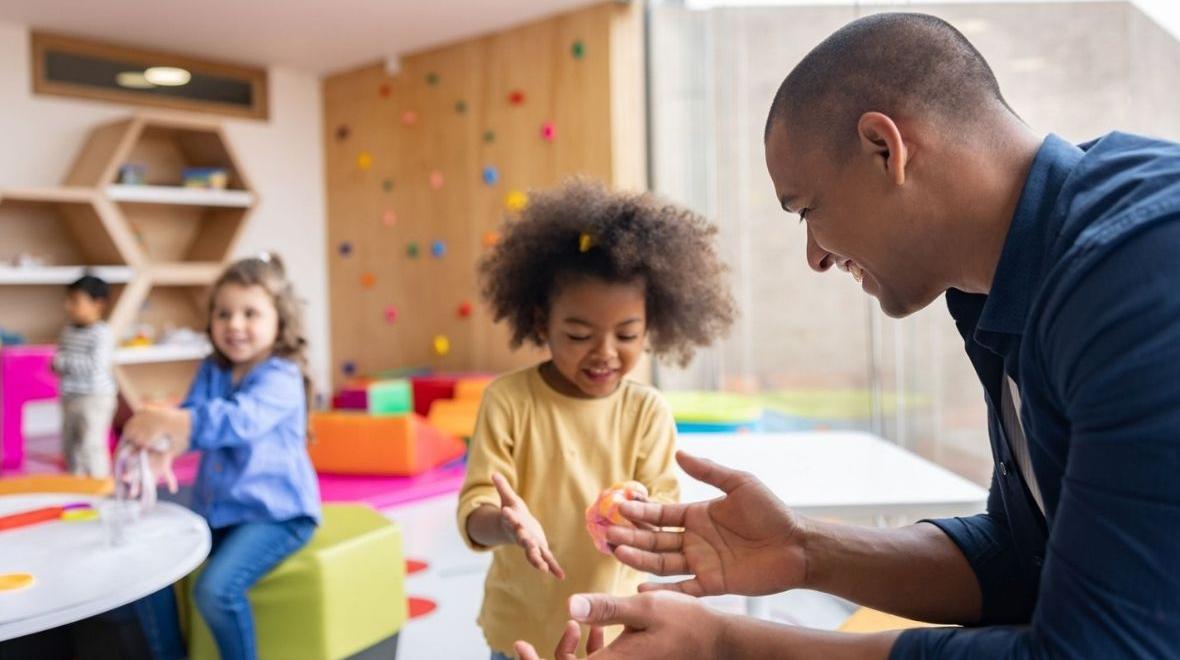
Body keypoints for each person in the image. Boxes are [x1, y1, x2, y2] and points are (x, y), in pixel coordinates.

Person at [518, 12, 1180, 659]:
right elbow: (1021, 559)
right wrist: (802, 550)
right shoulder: (999, 292)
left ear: (884, 149)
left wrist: (725, 645)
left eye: (808, 209)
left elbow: (1097, 647)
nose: (815, 256)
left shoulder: (1140, 263)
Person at [458, 179, 735, 657]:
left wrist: (642, 516)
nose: (605, 353)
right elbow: (476, 510)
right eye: (579, 335)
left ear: (650, 327)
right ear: (542, 322)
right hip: (520, 624)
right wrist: (505, 524)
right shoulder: (508, 401)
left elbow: (664, 510)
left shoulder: (646, 411)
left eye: (626, 335)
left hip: (614, 626)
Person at [121, 254, 321, 660]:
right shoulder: (212, 369)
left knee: (215, 590)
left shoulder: (281, 375)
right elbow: (191, 422)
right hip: (221, 510)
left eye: (251, 313)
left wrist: (167, 420)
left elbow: (236, 421)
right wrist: (164, 449)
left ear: (280, 320)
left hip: (277, 516)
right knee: (145, 569)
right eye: (223, 313)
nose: (235, 324)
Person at [53, 274, 117, 477]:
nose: (68, 306)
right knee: (71, 446)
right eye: (68, 300)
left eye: (75, 301)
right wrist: (59, 363)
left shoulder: (102, 333)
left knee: (91, 445)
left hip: (94, 398)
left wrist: (62, 362)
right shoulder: (67, 331)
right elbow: (60, 357)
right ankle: (78, 486)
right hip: (70, 395)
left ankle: (100, 487)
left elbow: (95, 364)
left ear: (98, 304)